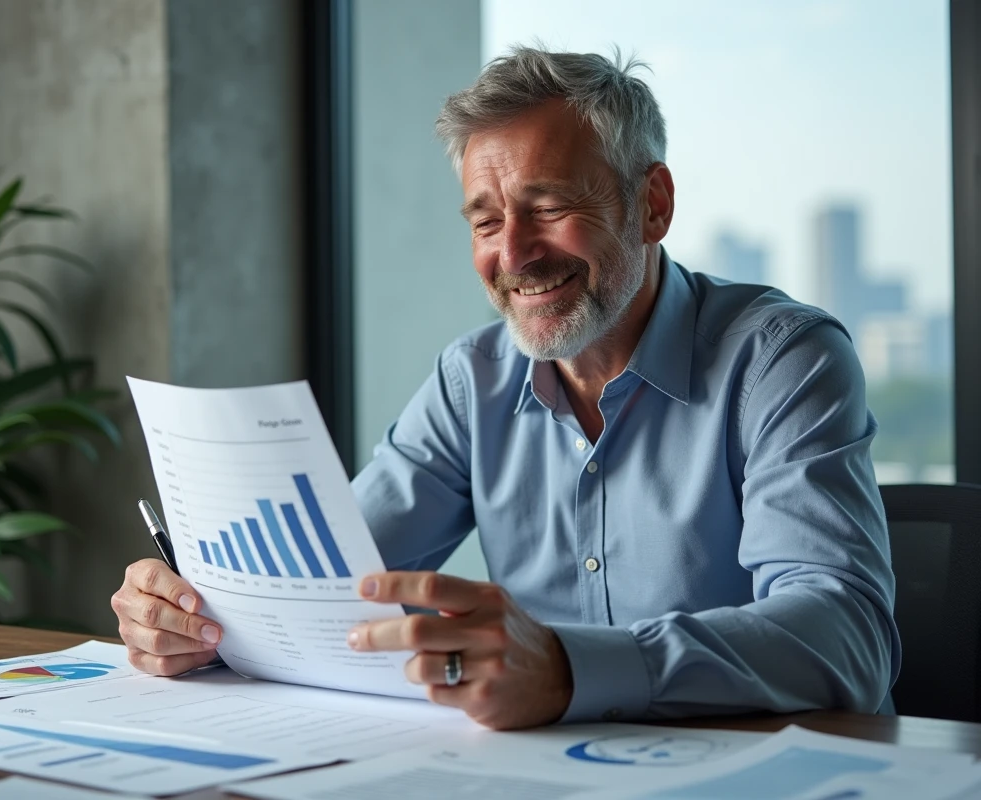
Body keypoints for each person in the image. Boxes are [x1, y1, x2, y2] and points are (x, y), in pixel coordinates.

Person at [111, 47, 899, 731]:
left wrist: (569, 668)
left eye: (548, 208)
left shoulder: (781, 359)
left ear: (651, 204)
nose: (513, 255)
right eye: (485, 223)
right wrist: (195, 623)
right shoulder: (473, 379)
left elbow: (845, 637)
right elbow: (334, 593)